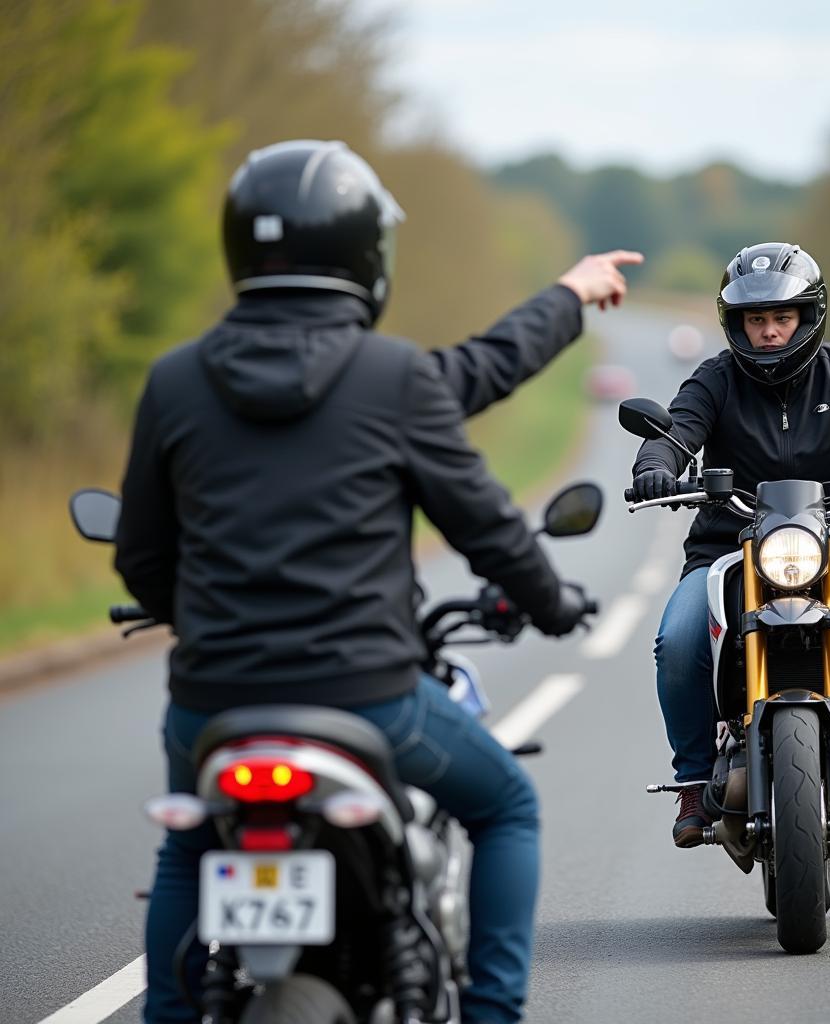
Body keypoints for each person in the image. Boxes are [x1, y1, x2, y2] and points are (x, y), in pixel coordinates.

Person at [114, 138, 643, 1024]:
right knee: (506, 806)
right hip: (371, 700)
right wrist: (552, 606)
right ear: (364, 252)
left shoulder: (174, 381)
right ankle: (490, 1014)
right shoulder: (389, 377)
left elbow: (141, 554)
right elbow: (484, 526)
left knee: (186, 851)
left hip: (213, 703)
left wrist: (203, 626)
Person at [630, 241, 830, 849]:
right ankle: (694, 781)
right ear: (735, 322)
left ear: (808, 316)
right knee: (678, 641)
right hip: (728, 549)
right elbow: (674, 429)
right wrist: (655, 462)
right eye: (755, 319)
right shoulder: (715, 378)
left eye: (782, 318)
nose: (769, 332)